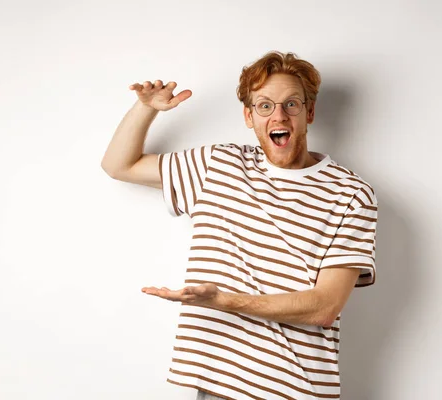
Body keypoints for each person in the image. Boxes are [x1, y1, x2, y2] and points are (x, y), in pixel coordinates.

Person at [101, 51, 378, 400]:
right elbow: (118, 165)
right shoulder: (219, 165)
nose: (278, 115)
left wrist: (224, 300)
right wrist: (147, 108)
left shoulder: (351, 194)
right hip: (219, 388)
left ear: (309, 112)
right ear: (249, 116)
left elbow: (324, 307)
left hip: (294, 390)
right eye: (264, 106)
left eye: (291, 104)